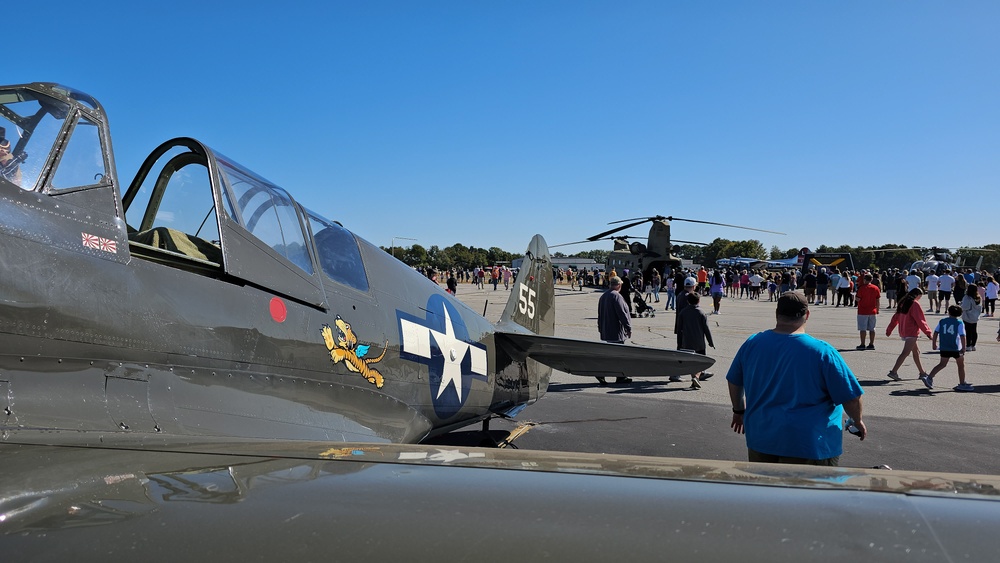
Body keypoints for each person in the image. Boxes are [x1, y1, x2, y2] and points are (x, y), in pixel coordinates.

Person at [726, 291, 866, 466]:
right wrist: (857, 420)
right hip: (808, 443)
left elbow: (734, 380)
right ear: (806, 315)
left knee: (766, 490)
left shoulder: (752, 343)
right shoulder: (821, 351)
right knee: (806, 492)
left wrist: (739, 411)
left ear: (777, 313)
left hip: (762, 438)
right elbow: (852, 397)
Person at [885, 288, 933, 381]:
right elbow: (920, 320)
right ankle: (893, 372)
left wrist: (889, 329)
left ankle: (922, 372)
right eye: (920, 296)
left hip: (904, 330)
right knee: (905, 352)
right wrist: (928, 332)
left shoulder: (903, 302)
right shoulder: (914, 304)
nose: (919, 299)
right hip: (911, 331)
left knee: (916, 352)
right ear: (917, 295)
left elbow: (895, 317)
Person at [921, 305, 970, 392]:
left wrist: (934, 344)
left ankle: (929, 377)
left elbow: (936, 332)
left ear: (949, 312)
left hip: (944, 347)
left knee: (942, 364)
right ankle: (962, 383)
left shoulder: (942, 321)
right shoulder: (959, 323)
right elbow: (962, 336)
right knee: (961, 365)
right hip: (955, 348)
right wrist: (963, 347)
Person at [595, 276, 632, 386]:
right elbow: (622, 314)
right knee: (617, 355)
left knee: (613, 354)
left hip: (606, 330)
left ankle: (620, 376)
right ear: (619, 285)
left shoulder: (604, 296)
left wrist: (600, 328)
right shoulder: (616, 296)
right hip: (616, 331)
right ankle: (602, 372)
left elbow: (599, 315)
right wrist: (628, 328)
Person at [677, 293, 715, 389]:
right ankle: (696, 377)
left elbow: (679, 330)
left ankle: (694, 377)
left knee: (690, 361)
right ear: (698, 301)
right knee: (699, 362)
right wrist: (710, 342)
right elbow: (706, 329)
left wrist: (679, 343)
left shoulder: (683, 312)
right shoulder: (701, 313)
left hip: (687, 342)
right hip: (699, 343)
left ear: (688, 301)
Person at [855, 273, 881, 350]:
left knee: (862, 328)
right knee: (872, 328)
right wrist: (878, 310)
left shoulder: (861, 288)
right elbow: (878, 300)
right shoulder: (876, 288)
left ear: (864, 280)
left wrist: (855, 298)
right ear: (871, 280)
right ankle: (871, 344)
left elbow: (858, 299)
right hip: (873, 310)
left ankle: (862, 344)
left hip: (863, 311)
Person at [960, 284, 982, 351]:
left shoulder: (967, 297)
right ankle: (973, 345)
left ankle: (968, 345)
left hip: (968, 316)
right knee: (974, 331)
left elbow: (965, 307)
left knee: (968, 331)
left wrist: (961, 305)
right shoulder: (978, 297)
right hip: (975, 316)